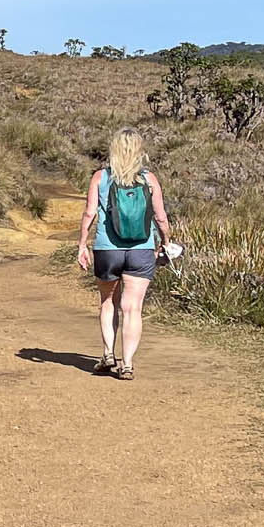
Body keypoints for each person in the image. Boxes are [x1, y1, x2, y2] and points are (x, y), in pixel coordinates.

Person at [75, 126, 171, 380]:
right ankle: (126, 363)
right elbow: (160, 217)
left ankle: (108, 353)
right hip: (141, 249)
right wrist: (166, 242)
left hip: (107, 249)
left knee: (108, 302)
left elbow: (89, 213)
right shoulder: (149, 180)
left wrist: (82, 244)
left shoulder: (100, 177)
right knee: (132, 308)